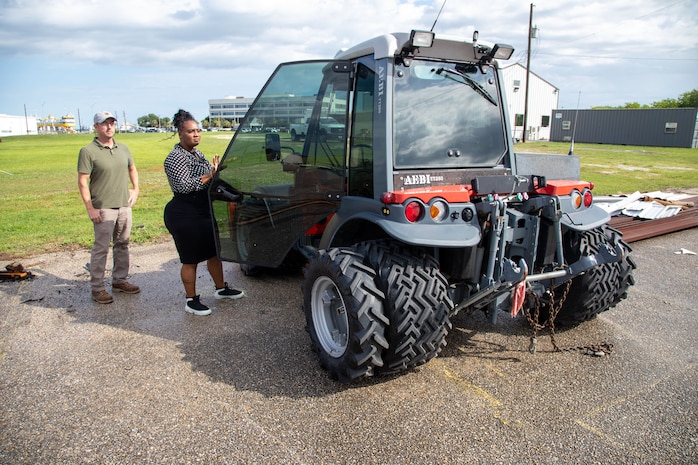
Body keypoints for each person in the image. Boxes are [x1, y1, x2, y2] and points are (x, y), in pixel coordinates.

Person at [164, 109, 244, 316]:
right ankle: (191, 301)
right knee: (190, 259)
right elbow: (183, 186)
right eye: (191, 131)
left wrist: (218, 172)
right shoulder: (174, 158)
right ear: (180, 133)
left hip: (202, 211)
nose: (196, 134)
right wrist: (210, 175)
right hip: (184, 214)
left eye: (198, 130)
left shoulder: (197, 154)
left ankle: (221, 288)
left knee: (213, 253)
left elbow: (210, 177)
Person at [78, 111, 141, 304]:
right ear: (96, 127)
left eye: (112, 123)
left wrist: (136, 189)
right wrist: (90, 208)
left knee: (123, 244)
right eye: (104, 124)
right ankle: (97, 288)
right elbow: (82, 180)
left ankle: (120, 280)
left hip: (124, 205)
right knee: (101, 248)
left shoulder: (123, 148)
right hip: (103, 208)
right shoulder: (88, 151)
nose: (109, 127)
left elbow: (132, 168)